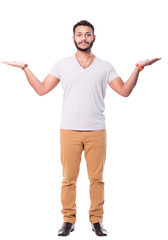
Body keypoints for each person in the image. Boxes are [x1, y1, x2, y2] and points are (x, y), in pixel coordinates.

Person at [2, 20, 161, 237]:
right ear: (73, 38)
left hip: (96, 131)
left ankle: (97, 220)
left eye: (87, 35)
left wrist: (138, 68)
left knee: (97, 178)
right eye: (79, 35)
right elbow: (41, 89)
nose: (83, 38)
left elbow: (124, 91)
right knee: (69, 179)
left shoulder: (105, 66)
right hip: (69, 131)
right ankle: (68, 220)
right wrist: (25, 68)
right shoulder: (62, 64)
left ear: (94, 38)